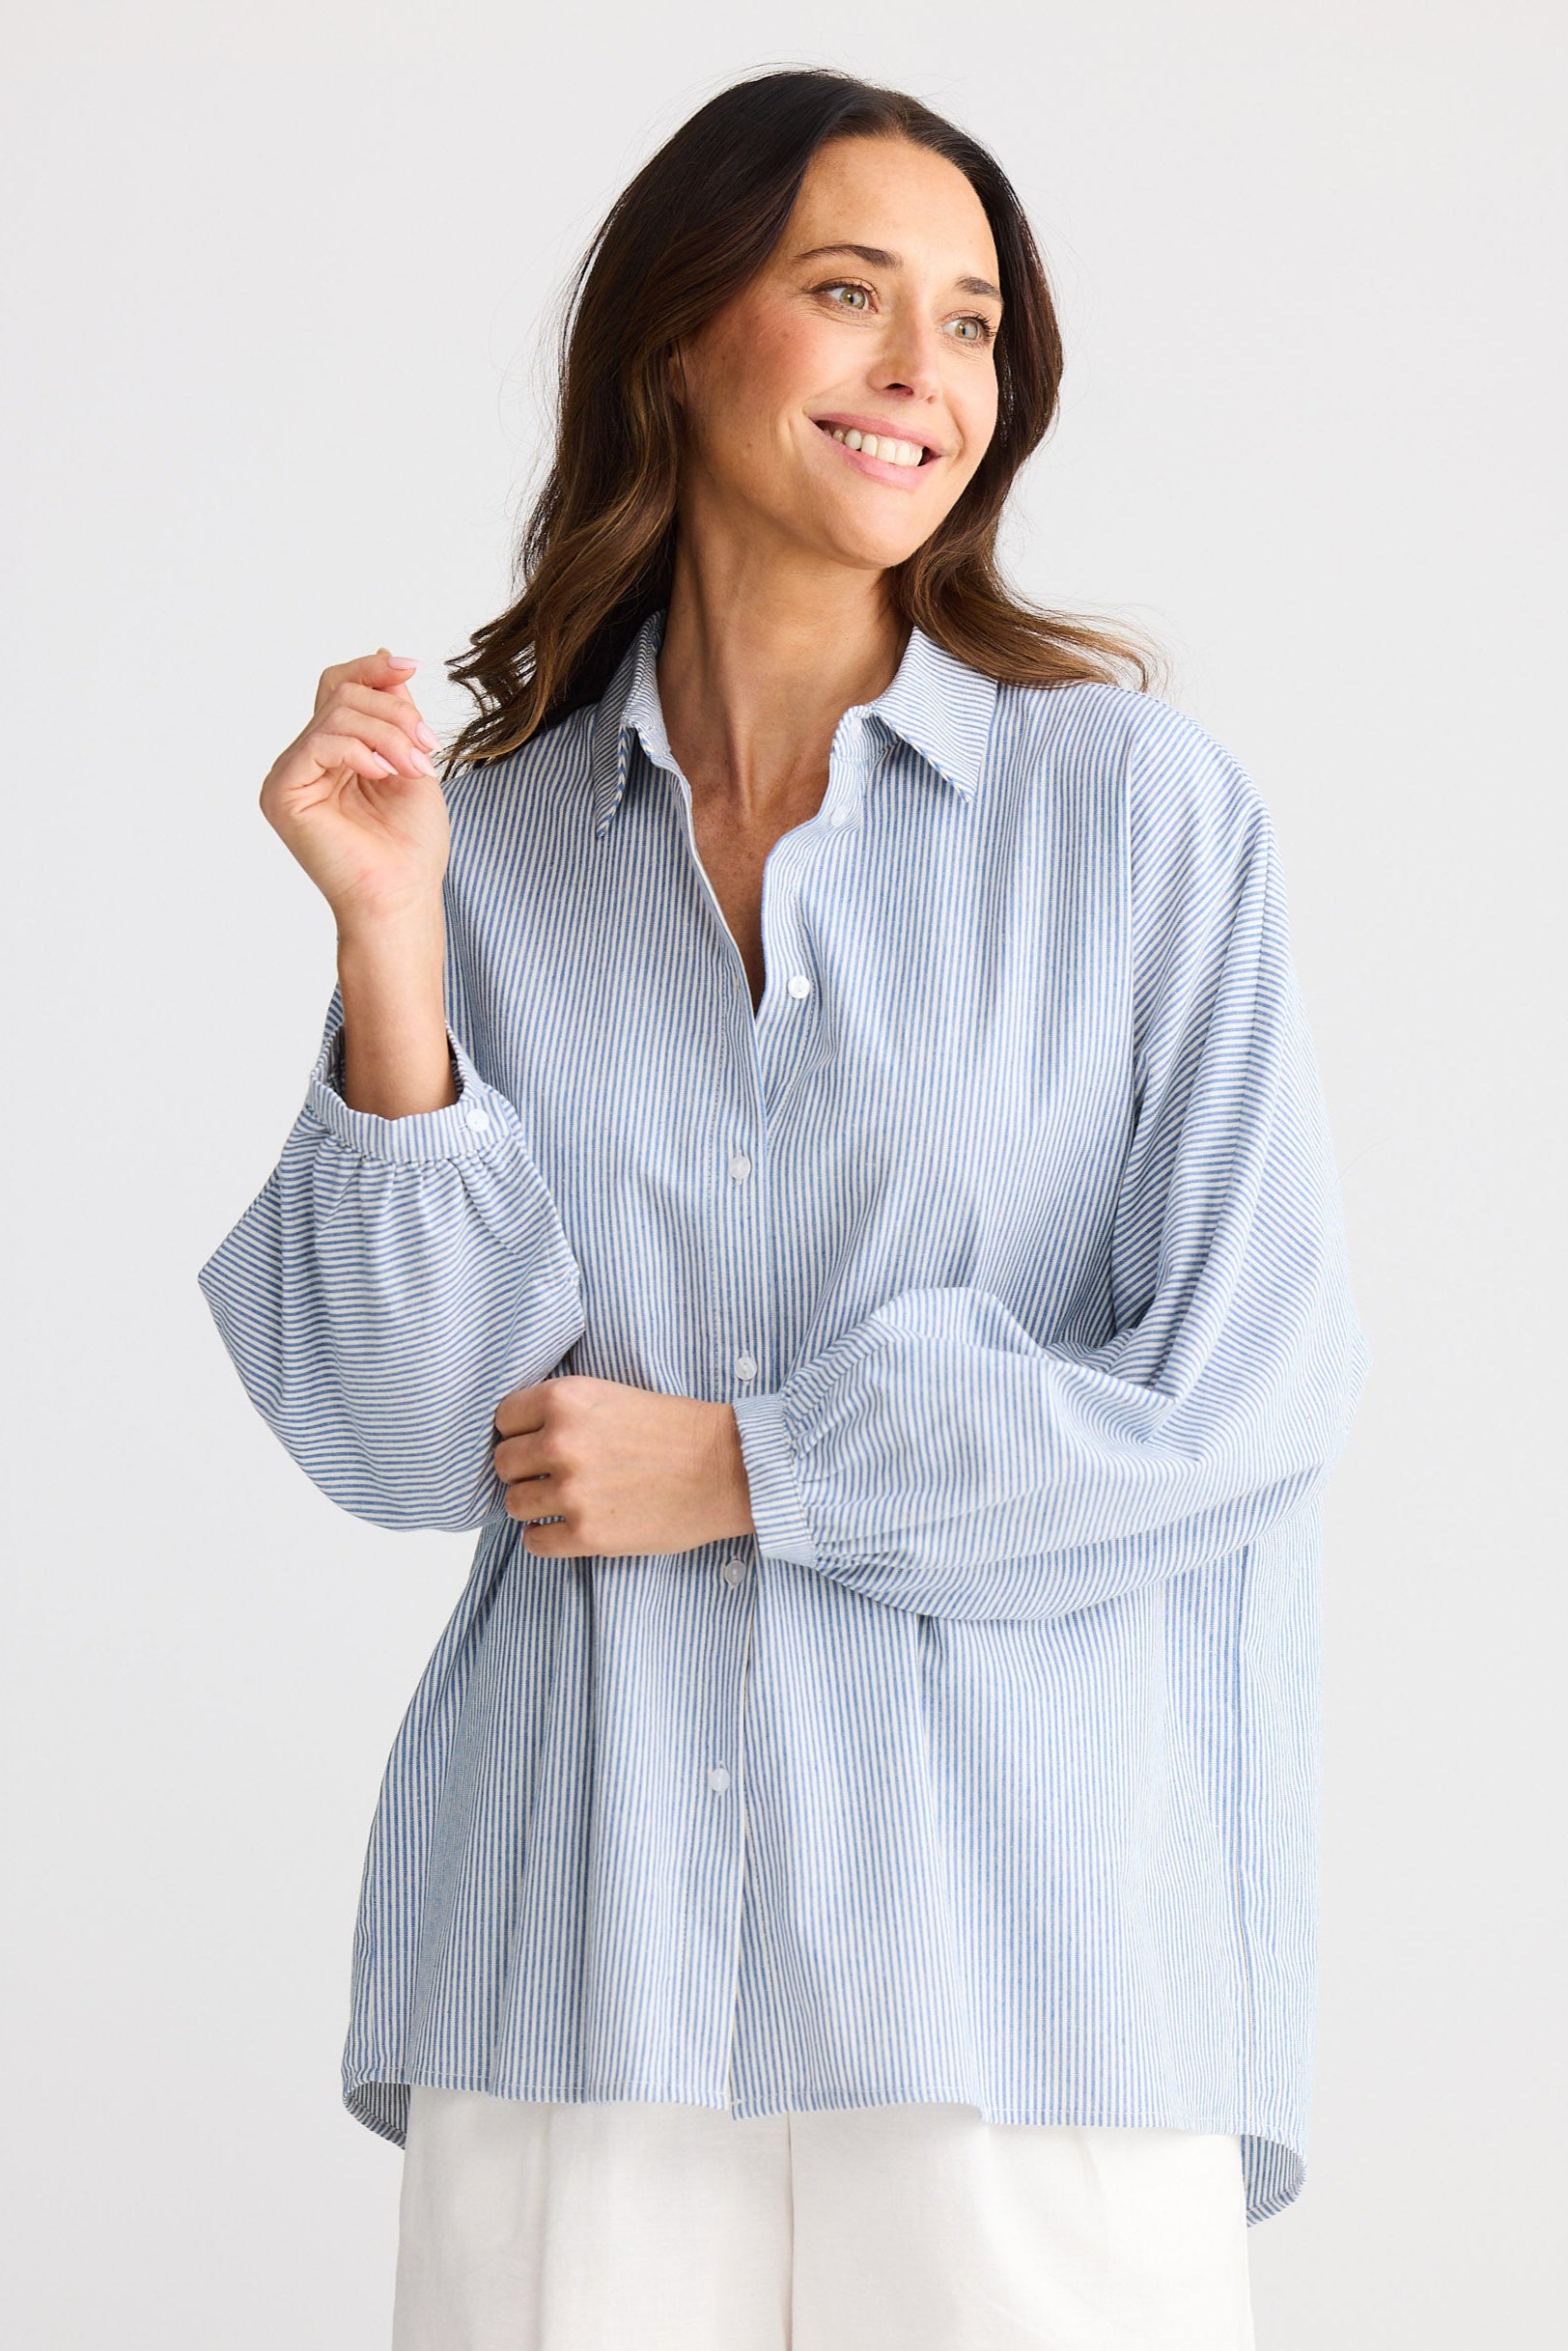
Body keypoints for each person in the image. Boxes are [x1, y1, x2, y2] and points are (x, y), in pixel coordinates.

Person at [197, 66, 1370, 2351]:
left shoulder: (1132, 819)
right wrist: (390, 950)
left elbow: (1247, 1390)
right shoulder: (494, 842)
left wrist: (753, 1466)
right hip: (579, 1951)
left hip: (1013, 1977)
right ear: (674, 332)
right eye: (850, 294)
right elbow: (394, 1435)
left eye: (972, 323)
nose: (923, 374)